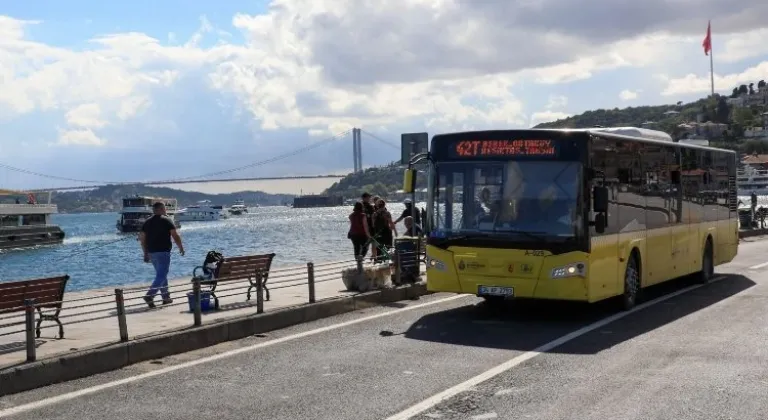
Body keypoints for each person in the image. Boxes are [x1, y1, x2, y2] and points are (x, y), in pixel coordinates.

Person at [139, 202, 185, 308]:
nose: (165, 210)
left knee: (161, 275)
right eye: (164, 208)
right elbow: (175, 235)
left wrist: (145, 254)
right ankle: (150, 295)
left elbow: (142, 240)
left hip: (152, 252)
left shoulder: (147, 222)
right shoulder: (166, 220)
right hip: (163, 252)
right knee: (162, 275)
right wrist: (181, 248)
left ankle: (166, 298)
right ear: (160, 209)